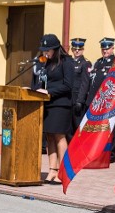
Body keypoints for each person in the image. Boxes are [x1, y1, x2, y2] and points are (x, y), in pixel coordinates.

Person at [34, 34, 75, 184]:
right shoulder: (46, 63)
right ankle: (52, 170)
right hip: (49, 104)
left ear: (55, 49)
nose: (45, 53)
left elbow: (68, 85)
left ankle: (62, 172)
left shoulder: (66, 62)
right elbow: (43, 82)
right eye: (44, 50)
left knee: (59, 136)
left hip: (61, 104)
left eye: (48, 50)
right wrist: (34, 90)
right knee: (49, 136)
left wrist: (49, 92)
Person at [68, 37, 92, 140]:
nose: (77, 51)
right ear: (72, 50)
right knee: (69, 128)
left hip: (78, 100)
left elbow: (85, 83)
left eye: (79, 49)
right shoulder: (69, 62)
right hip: (69, 99)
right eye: (75, 49)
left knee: (78, 126)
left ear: (83, 50)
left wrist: (80, 100)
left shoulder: (85, 63)